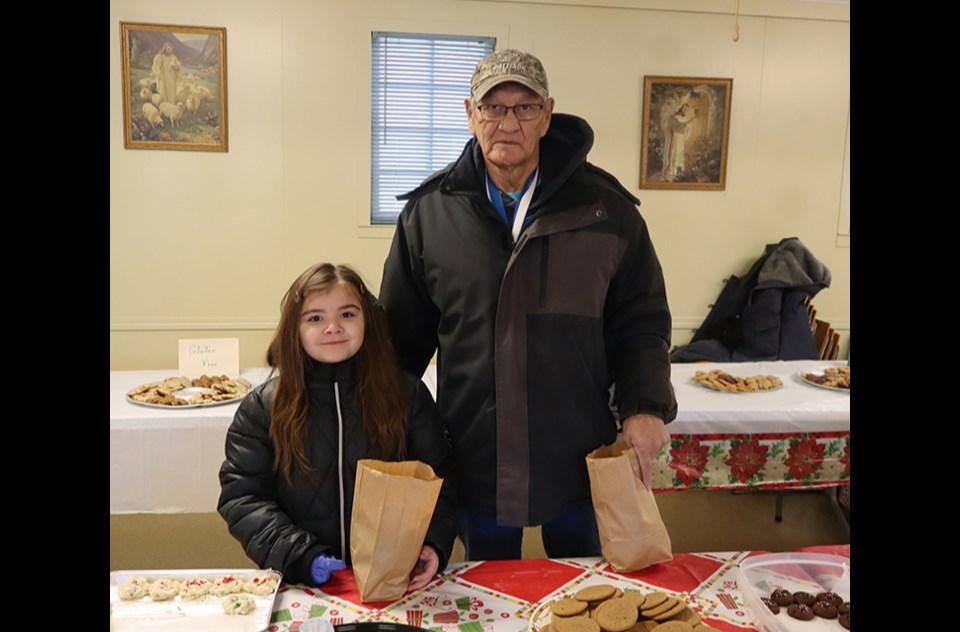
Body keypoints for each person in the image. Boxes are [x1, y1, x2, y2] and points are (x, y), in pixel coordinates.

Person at [380, 49, 677, 561]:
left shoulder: (607, 211)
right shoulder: (429, 215)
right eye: (493, 108)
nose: (508, 123)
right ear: (470, 114)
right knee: (487, 597)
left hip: (581, 450)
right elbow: (400, 344)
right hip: (475, 450)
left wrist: (645, 405)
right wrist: (382, 421)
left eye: (524, 108)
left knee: (586, 592)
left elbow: (642, 323)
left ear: (547, 115)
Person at [218, 263, 457, 589]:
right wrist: (299, 555)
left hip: (395, 578)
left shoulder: (407, 395)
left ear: (367, 321)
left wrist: (433, 543)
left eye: (347, 314)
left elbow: (439, 478)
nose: (332, 327)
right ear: (294, 329)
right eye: (315, 318)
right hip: (301, 581)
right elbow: (243, 497)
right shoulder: (263, 407)